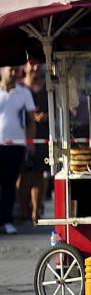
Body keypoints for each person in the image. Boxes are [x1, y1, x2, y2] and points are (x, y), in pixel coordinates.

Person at [0, 66, 36, 235]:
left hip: (15, 146)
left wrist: (30, 144)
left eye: (16, 70)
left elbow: (31, 120)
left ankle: (7, 220)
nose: (14, 73)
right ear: (2, 71)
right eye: (11, 70)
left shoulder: (24, 93)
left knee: (9, 184)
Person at [17, 59, 49, 224]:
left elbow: (54, 108)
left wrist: (45, 116)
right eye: (31, 63)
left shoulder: (45, 87)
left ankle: (36, 211)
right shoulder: (19, 88)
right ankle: (23, 210)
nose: (35, 67)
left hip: (42, 134)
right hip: (21, 136)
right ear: (25, 66)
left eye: (38, 64)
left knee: (38, 175)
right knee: (22, 177)